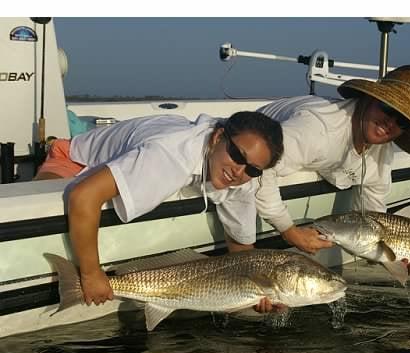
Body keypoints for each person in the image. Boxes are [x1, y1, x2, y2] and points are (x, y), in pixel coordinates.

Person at [35, 111, 284, 307]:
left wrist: (261, 294)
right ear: (218, 137)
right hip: (73, 160)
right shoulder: (170, 156)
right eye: (237, 155)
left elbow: (242, 254)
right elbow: (83, 196)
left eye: (252, 169)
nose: (239, 171)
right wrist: (90, 274)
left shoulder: (240, 178)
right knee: (41, 208)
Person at [255, 64, 410, 299]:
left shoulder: (381, 152)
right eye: (387, 108)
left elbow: (373, 217)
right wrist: (289, 231)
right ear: (370, 99)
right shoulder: (318, 128)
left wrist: (392, 259)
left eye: (402, 121)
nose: (390, 122)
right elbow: (256, 165)